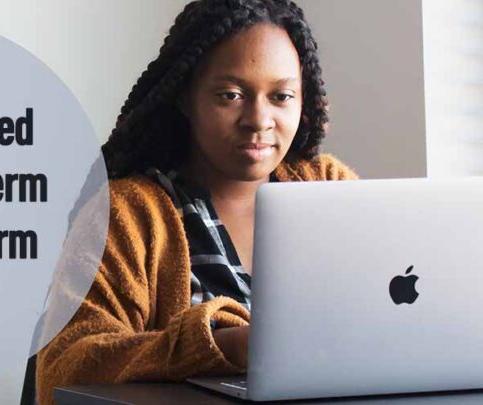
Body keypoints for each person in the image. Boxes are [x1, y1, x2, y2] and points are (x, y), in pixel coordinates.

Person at [36, 0, 358, 403]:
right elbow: (63, 367)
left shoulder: (328, 189)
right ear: (186, 97)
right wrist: (222, 347)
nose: (259, 120)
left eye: (281, 96)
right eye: (232, 95)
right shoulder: (127, 215)